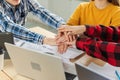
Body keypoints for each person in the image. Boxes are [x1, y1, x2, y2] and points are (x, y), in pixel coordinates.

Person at [0, 0, 65, 45]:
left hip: (18, 41)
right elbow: (8, 26)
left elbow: (41, 12)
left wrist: (63, 27)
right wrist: (44, 39)